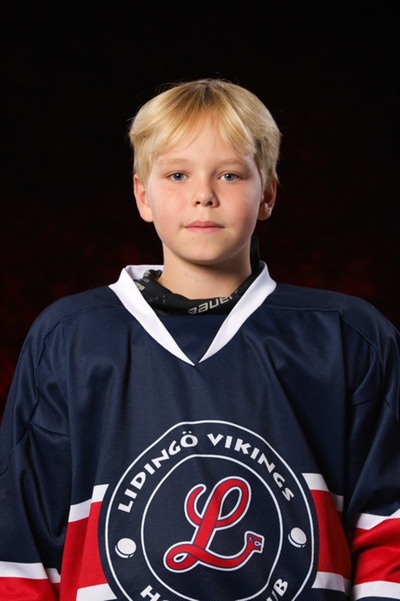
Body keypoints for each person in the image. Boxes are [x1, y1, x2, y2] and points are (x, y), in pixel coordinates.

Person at [0, 79, 399, 601]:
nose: (203, 195)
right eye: (177, 174)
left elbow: (388, 528)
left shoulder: (348, 336)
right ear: (142, 195)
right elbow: (22, 543)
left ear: (268, 193)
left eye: (230, 174)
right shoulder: (71, 338)